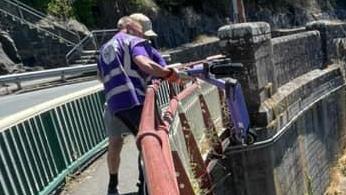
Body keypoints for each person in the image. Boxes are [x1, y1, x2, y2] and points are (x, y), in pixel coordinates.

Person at [97, 15, 179, 195]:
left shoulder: (104, 48)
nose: (144, 37)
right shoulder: (132, 40)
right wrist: (167, 73)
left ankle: (113, 186)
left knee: (117, 143)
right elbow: (144, 63)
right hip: (133, 99)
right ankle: (145, 186)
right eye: (142, 33)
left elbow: (100, 76)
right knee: (148, 141)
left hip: (113, 103)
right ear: (131, 26)